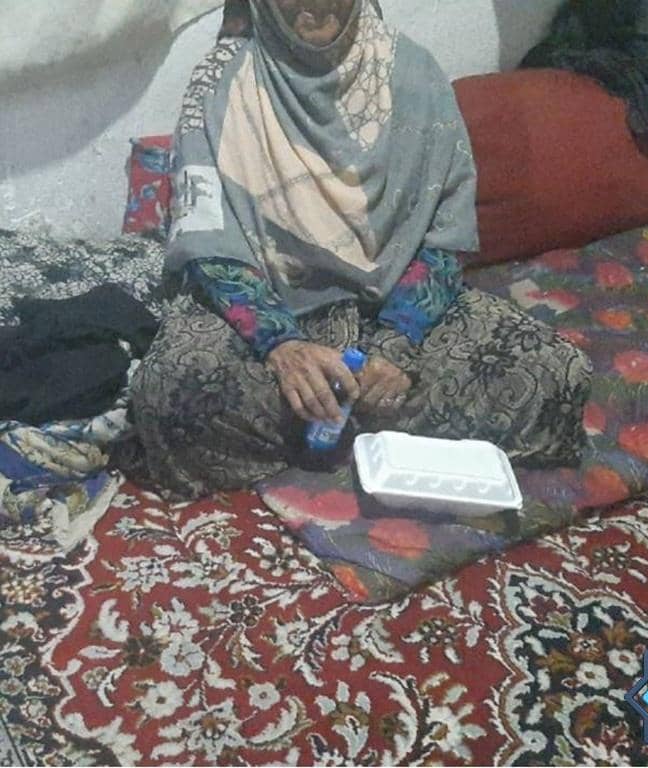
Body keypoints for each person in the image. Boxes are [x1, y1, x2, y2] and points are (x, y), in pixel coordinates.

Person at [125, 0, 592, 500]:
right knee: (169, 392)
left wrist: (396, 345)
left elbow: (447, 236)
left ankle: (329, 432)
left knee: (555, 373)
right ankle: (374, 434)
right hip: (269, 300)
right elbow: (207, 236)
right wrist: (281, 346)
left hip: (392, 303)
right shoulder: (221, 80)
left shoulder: (412, 73)